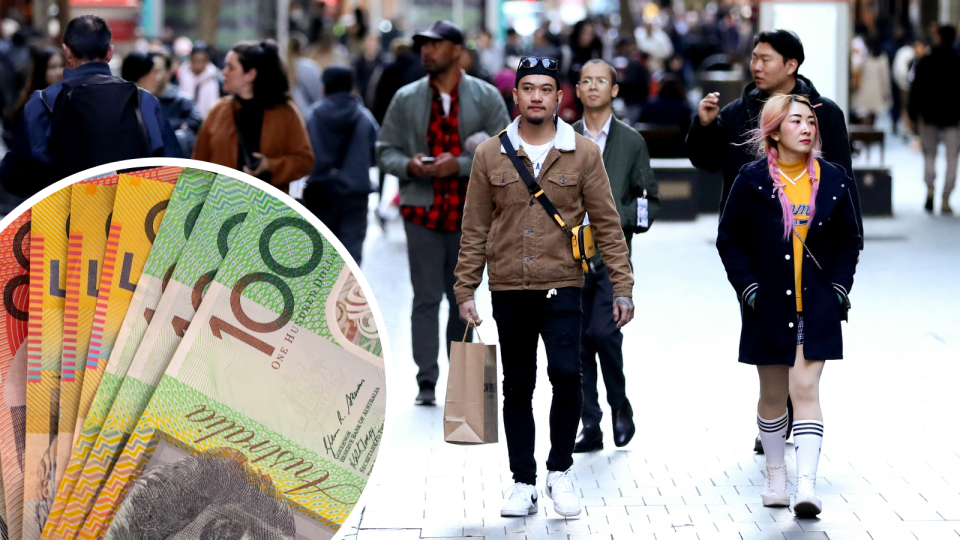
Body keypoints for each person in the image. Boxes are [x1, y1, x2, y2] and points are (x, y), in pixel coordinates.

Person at [454, 56, 635, 518]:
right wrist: (465, 290)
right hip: (510, 286)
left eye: (545, 89)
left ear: (559, 97)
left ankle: (560, 471)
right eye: (528, 88)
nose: (536, 96)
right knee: (517, 385)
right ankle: (522, 482)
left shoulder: (583, 152)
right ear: (514, 96)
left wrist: (622, 286)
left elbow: (609, 225)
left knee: (566, 375)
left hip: (564, 283)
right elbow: (474, 227)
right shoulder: (489, 154)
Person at [685, 29, 863, 453]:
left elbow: (843, 180)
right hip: (758, 249)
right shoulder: (737, 110)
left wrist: (848, 250)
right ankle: (775, 416)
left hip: (811, 247)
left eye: (766, 58)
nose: (756, 65)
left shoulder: (824, 113)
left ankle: (793, 418)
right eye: (754, 57)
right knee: (766, 330)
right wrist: (705, 127)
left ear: (791, 65)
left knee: (806, 338)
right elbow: (707, 162)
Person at [716, 93, 860, 517]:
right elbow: (731, 241)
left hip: (816, 304)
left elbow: (850, 241)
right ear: (774, 130)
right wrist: (750, 289)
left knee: (806, 389)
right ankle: (776, 473)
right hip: (768, 305)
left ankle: (806, 485)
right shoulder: (751, 179)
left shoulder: (832, 179)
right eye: (796, 121)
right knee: (774, 395)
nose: (807, 128)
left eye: (810, 122)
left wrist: (838, 288)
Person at [376, 20, 510, 406]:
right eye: (424, 45)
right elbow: (384, 149)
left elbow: (506, 152)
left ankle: (463, 382)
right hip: (422, 211)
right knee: (425, 297)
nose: (427, 51)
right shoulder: (406, 98)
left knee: (463, 297)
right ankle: (426, 381)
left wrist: (462, 165)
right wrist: (410, 164)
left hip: (472, 214)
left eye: (435, 45)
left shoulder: (484, 97)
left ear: (457, 50)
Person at [571, 59, 659, 452]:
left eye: (601, 81)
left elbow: (648, 198)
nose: (593, 87)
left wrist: (622, 218)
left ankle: (620, 404)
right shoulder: (562, 137)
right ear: (575, 89)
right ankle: (591, 424)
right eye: (586, 81)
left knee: (603, 333)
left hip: (612, 257)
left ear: (614, 89)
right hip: (569, 257)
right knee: (576, 342)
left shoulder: (631, 141)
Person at [0, 15, 181, 197]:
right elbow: (173, 170)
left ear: (67, 52)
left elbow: (15, 177)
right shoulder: (143, 101)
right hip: (131, 217)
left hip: (63, 219)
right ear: (110, 53)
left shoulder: (43, 102)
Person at [192, 40, 313, 193]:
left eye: (231, 67)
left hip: (269, 208)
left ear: (250, 75)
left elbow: (304, 161)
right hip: (222, 208)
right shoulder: (219, 111)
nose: (223, 72)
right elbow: (198, 165)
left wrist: (269, 165)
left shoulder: (285, 112)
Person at [304, 66, 379, 265]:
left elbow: (305, 155)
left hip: (321, 194)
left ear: (324, 87)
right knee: (351, 257)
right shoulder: (364, 117)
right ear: (351, 87)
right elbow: (376, 154)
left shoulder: (313, 115)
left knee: (319, 256)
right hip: (355, 195)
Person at [908, 24, 960, 215]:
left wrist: (913, 116)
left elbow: (916, 91)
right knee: (952, 158)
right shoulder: (957, 62)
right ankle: (946, 198)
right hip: (953, 118)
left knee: (929, 155)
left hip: (929, 117)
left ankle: (930, 189)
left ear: (937, 36)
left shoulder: (925, 62)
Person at [143, 48, 204, 158]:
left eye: (157, 71)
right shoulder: (139, 99)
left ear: (168, 71)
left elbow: (196, 122)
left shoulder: (183, 101)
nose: (152, 76)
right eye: (148, 71)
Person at [637, 74, 693, 158]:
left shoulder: (649, 106)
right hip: (675, 152)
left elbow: (639, 126)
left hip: (651, 150)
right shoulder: (684, 109)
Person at [850, 36, 892, 126]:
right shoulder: (882, 57)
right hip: (877, 90)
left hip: (864, 89)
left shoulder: (864, 56)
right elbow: (885, 77)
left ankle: (866, 135)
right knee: (873, 115)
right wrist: (887, 92)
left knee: (864, 114)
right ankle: (870, 134)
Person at [177, 41, 221, 118]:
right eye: (195, 61)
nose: (198, 65)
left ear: (207, 61)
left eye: (201, 61)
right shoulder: (181, 75)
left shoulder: (215, 78)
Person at [287, 33, 323, 117]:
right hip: (308, 115)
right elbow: (318, 93)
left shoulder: (284, 67)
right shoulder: (310, 66)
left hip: (291, 116)